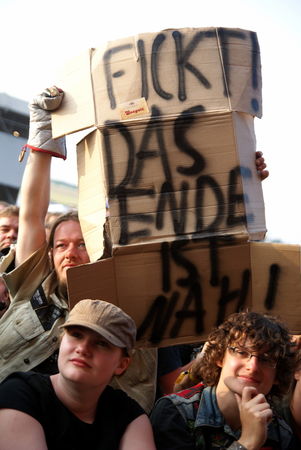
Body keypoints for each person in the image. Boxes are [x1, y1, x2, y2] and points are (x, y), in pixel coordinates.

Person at [0, 87, 157, 414]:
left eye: (82, 244)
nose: (70, 252)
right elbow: (30, 214)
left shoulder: (130, 316)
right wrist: (44, 131)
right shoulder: (34, 287)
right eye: (60, 245)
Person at [0, 298, 156, 450]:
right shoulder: (20, 394)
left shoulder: (128, 415)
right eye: (76, 335)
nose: (83, 348)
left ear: (122, 364)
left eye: (102, 343)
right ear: (61, 341)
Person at [151, 311, 296, 450]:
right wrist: (247, 443)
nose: (252, 367)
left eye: (266, 359)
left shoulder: (280, 433)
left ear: (277, 375)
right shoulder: (174, 412)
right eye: (242, 352)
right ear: (220, 357)